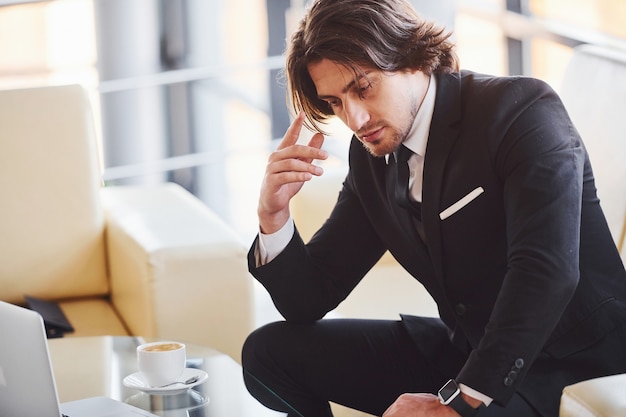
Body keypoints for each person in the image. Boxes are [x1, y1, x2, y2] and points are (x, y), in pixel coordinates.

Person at [241, 0, 626, 416]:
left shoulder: (521, 111)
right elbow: (310, 298)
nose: (354, 118)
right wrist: (273, 216)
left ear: (411, 55)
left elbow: (547, 270)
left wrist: (462, 399)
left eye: (362, 87)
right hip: (465, 348)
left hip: (565, 364)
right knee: (268, 354)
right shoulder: (371, 157)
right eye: (335, 102)